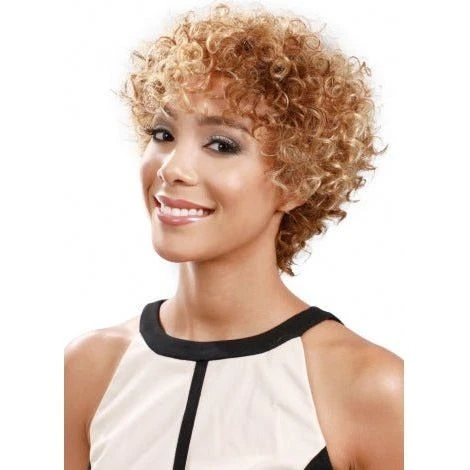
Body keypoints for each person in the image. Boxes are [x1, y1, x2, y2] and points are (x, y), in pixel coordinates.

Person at [64, 3, 403, 469]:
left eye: (221, 144)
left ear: (297, 181)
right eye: (163, 133)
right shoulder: (89, 370)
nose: (172, 168)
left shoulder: (370, 387)